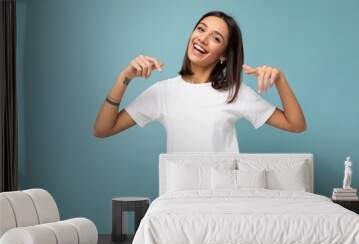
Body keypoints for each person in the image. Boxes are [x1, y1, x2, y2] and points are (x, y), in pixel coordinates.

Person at [93, 10, 307, 153]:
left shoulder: (235, 93)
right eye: (201, 29)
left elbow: (296, 125)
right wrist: (124, 78)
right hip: (179, 201)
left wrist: (280, 79)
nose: (202, 39)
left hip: (223, 203)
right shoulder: (163, 92)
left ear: (223, 55)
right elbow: (103, 129)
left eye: (216, 38)